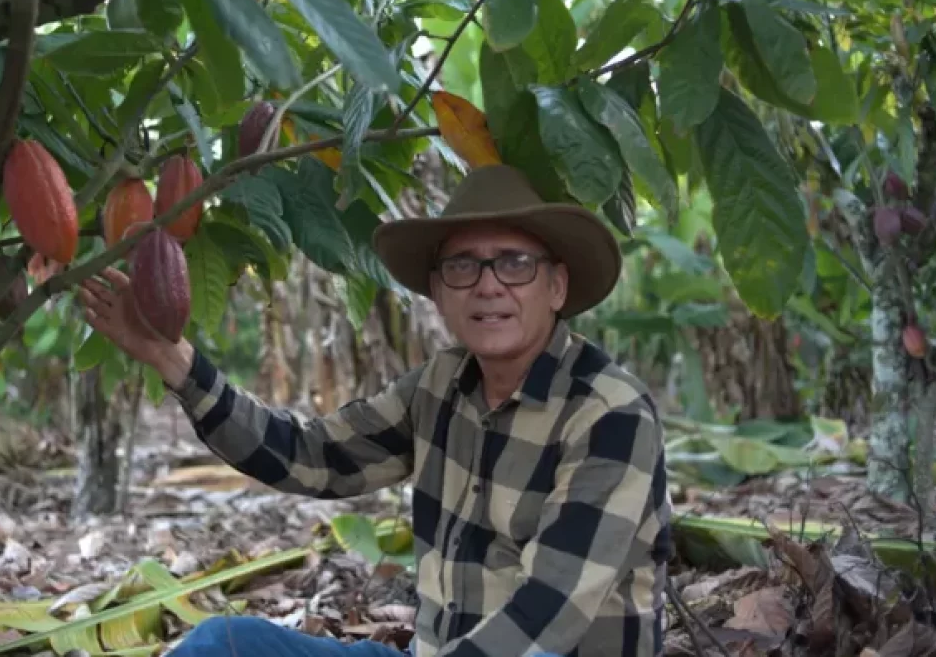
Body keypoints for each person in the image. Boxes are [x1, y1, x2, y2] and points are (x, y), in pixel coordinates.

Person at [79, 164, 671, 657]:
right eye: (463, 267)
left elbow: (550, 614)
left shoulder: (608, 415)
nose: (489, 286)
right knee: (225, 645)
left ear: (557, 287)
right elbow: (312, 456)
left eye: (515, 264)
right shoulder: (440, 387)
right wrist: (172, 357)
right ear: (438, 292)